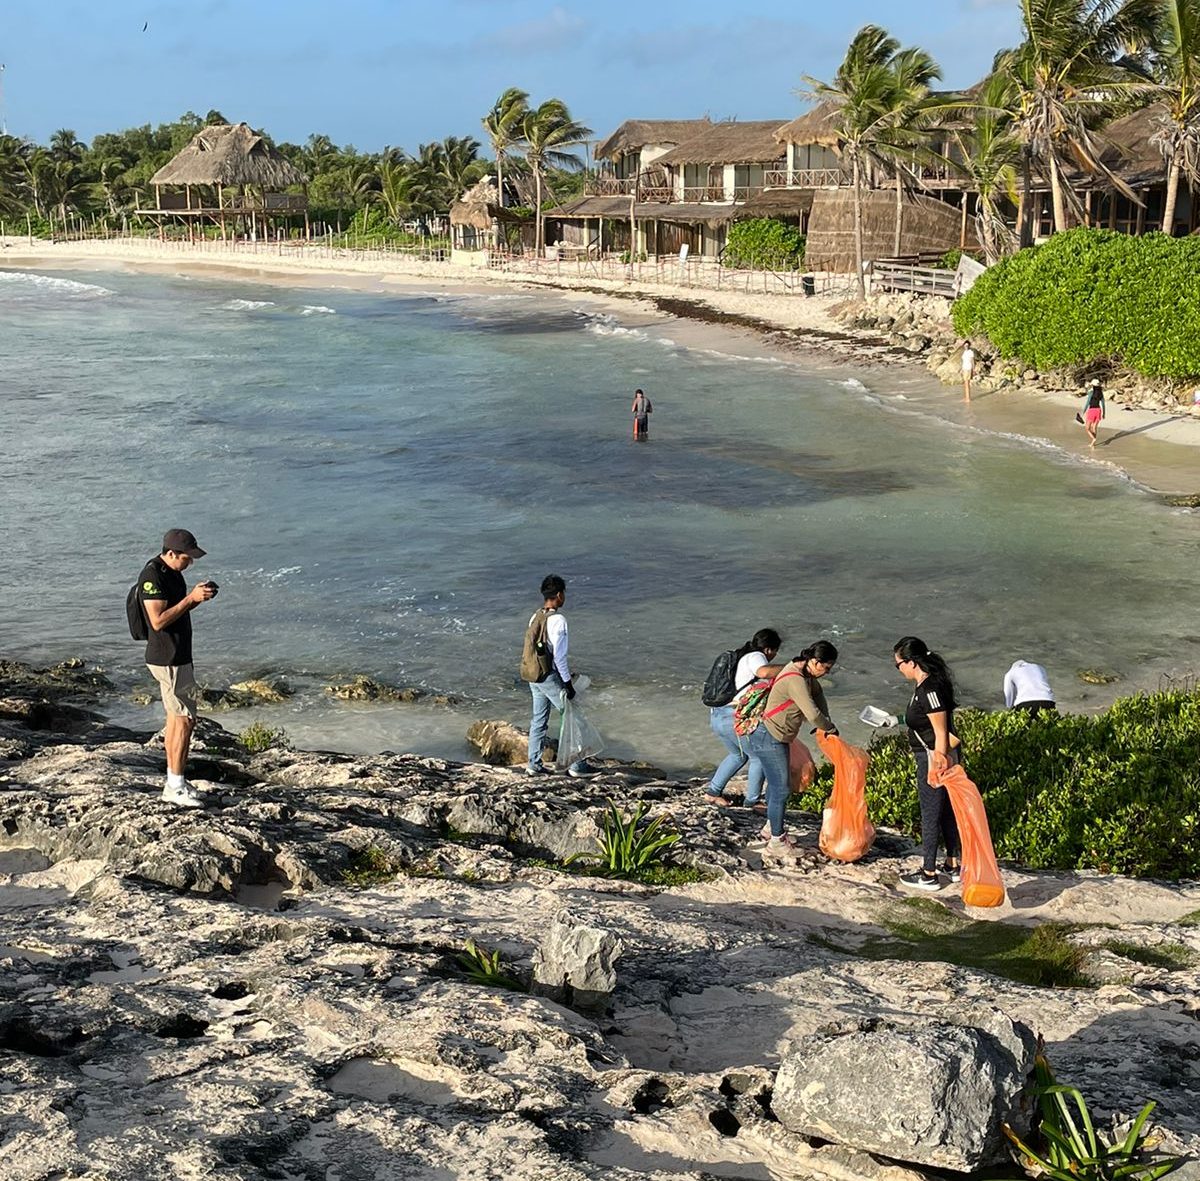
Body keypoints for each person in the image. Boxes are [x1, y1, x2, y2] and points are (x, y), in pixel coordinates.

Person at [740, 640, 839, 862]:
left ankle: (771, 828)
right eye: (826, 667)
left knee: (777, 785)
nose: (827, 672)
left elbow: (818, 695)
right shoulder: (795, 678)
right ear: (815, 661)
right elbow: (812, 714)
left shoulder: (806, 674)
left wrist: (826, 720)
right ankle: (776, 842)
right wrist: (829, 728)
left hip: (776, 736)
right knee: (781, 789)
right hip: (768, 736)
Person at [138, 528, 217, 808]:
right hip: (167, 658)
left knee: (177, 718)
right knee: (184, 720)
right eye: (186, 557)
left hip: (178, 656)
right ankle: (175, 785)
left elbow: (176, 611)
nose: (190, 562)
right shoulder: (153, 576)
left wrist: (198, 598)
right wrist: (191, 598)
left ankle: (176, 781)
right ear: (171, 553)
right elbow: (158, 621)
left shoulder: (172, 573)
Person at [893, 636, 961, 891]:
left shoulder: (929, 689)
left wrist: (937, 764)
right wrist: (896, 720)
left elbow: (941, 731)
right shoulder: (926, 685)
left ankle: (928, 873)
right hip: (934, 754)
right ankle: (952, 864)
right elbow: (924, 718)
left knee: (930, 813)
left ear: (911, 662)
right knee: (945, 811)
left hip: (933, 756)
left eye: (899, 664)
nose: (899, 670)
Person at [521, 574, 594, 778]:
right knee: (574, 717)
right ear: (560, 595)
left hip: (534, 675)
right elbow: (559, 658)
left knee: (539, 720)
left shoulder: (535, 616)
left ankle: (534, 765)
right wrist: (568, 684)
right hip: (549, 677)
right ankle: (577, 766)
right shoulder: (558, 620)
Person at [705, 628, 783, 810]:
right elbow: (763, 672)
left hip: (717, 715)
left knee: (738, 755)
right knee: (759, 757)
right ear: (768, 649)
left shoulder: (741, 657)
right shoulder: (756, 656)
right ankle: (752, 802)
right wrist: (792, 668)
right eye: (775, 651)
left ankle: (712, 793)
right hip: (732, 717)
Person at [1080, 378, 1105, 449]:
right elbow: (1103, 404)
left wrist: (1083, 412)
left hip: (1092, 411)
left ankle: (1093, 439)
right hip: (1098, 410)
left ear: (1093, 386)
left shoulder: (1091, 393)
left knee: (1087, 428)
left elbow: (1087, 403)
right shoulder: (1101, 393)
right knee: (1094, 427)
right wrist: (1104, 413)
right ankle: (1093, 444)